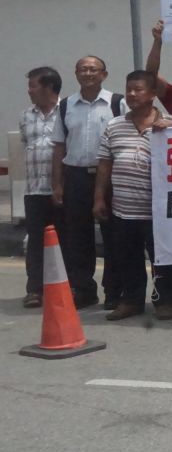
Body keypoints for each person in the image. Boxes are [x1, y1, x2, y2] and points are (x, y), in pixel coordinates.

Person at [93, 71, 172, 321]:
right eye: (129, 89)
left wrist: (171, 128)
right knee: (128, 257)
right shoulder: (114, 125)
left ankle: (163, 302)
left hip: (158, 209)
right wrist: (98, 199)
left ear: (152, 94)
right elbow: (104, 164)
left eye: (138, 89)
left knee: (161, 259)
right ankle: (132, 301)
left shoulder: (170, 124)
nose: (131, 94)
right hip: (123, 208)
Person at [50, 55, 127, 310]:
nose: (88, 73)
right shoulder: (65, 106)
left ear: (104, 74)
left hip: (111, 178)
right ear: (76, 73)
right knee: (78, 238)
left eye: (94, 69)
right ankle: (83, 290)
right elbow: (59, 147)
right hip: (76, 177)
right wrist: (58, 184)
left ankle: (114, 292)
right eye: (83, 69)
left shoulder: (117, 103)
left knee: (114, 237)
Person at [20, 67, 61, 309]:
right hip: (34, 189)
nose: (29, 90)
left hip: (59, 189)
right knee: (36, 241)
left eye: (33, 85)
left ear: (48, 87)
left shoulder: (65, 112)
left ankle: (65, 286)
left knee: (65, 239)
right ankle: (34, 289)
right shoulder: (26, 116)